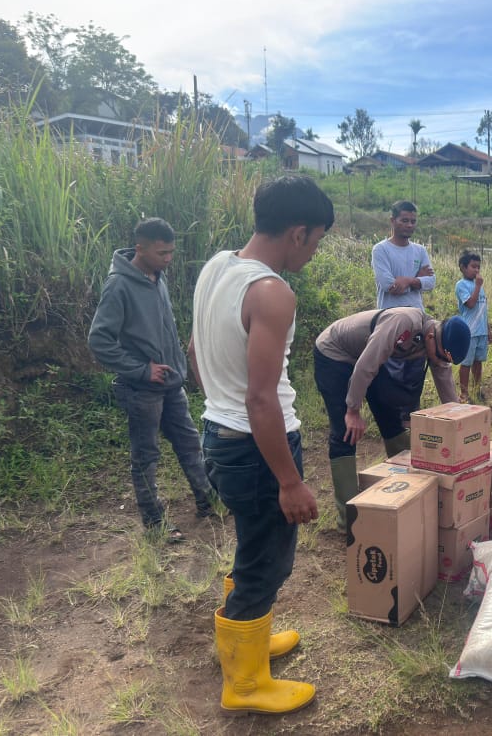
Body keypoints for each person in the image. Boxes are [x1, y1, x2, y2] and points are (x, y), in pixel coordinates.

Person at [189, 174, 334, 714]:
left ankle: (246, 639)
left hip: (219, 436)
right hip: (255, 447)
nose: (315, 251)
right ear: (297, 233)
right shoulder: (272, 292)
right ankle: (245, 685)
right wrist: (290, 481)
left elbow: (194, 347)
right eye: (317, 239)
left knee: (254, 548)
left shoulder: (217, 266)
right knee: (267, 561)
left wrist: (217, 404)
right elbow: (261, 399)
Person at [88, 217, 217, 543]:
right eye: (162, 253)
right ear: (140, 248)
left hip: (171, 384)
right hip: (141, 389)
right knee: (146, 457)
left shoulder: (157, 276)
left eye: (171, 252)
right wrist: (142, 370)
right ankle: (155, 524)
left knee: (190, 443)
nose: (168, 259)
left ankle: (209, 501)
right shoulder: (118, 285)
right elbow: (99, 340)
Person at [313, 309, 470, 526]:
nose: (441, 362)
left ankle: (409, 489)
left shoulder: (435, 342)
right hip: (335, 353)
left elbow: (446, 387)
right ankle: (349, 519)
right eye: (442, 356)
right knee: (345, 432)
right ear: (431, 337)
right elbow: (366, 364)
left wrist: (461, 425)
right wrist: (353, 410)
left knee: (391, 419)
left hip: (366, 358)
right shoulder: (403, 322)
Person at [372, 200, 435, 310]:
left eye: (413, 221)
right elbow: (388, 285)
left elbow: (431, 282)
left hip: (417, 315)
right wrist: (417, 280)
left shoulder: (420, 250)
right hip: (390, 316)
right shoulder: (381, 249)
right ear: (392, 221)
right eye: (405, 221)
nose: (410, 225)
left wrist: (407, 281)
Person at [455, 251, 489, 402]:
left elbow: (482, 309)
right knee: (466, 363)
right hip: (469, 331)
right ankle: (464, 393)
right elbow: (470, 304)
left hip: (481, 331)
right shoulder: (461, 285)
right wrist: (477, 286)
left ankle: (477, 389)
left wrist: (488, 329)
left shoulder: (478, 285)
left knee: (478, 362)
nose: (476, 270)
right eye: (473, 266)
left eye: (478, 267)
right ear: (462, 267)